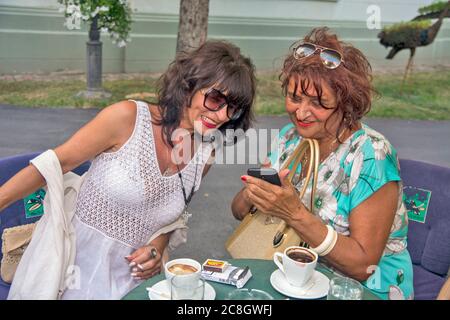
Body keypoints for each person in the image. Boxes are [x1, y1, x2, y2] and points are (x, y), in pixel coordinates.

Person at [0, 40, 256, 299]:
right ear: (189, 83)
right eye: (215, 99)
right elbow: (55, 163)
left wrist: (157, 248)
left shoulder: (204, 154)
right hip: (66, 273)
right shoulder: (127, 119)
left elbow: (170, 218)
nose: (222, 115)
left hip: (129, 285)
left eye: (232, 109)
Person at [231, 27, 413, 300]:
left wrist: (295, 214)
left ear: (346, 104)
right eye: (294, 97)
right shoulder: (289, 138)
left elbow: (363, 265)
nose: (301, 112)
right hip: (295, 276)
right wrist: (253, 193)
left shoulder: (371, 156)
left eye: (318, 103)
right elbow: (238, 211)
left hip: (359, 290)